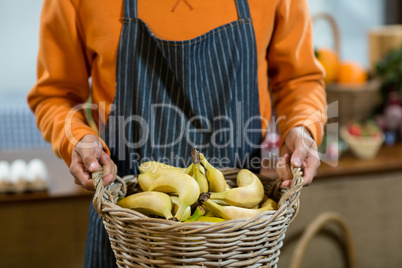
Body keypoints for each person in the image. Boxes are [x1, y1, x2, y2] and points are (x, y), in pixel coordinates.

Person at [28, 0, 327, 266]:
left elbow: (299, 79)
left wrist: (302, 127)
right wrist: (77, 138)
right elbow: (54, 94)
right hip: (128, 232)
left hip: (237, 237)